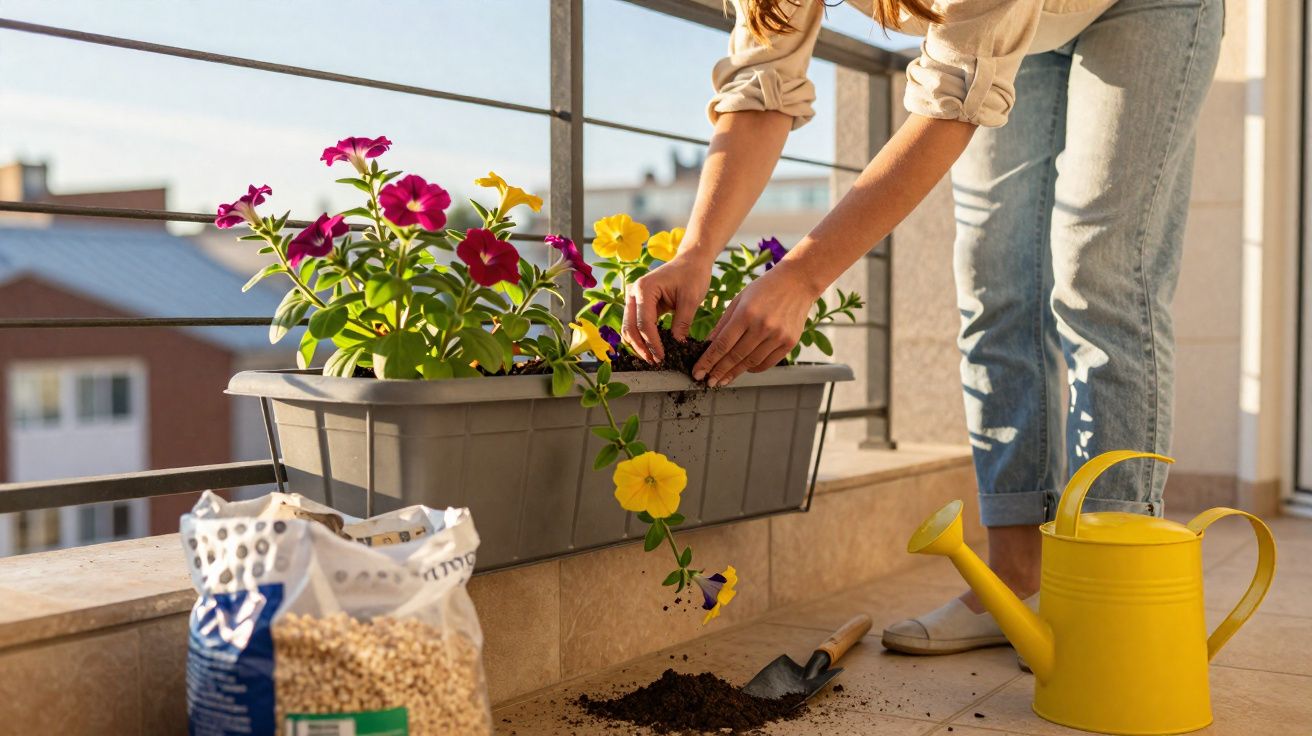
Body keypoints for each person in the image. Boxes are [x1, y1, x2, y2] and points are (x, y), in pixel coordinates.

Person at [621, 0, 1222, 657]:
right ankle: (1015, 583)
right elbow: (761, 84)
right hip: (1014, 26)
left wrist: (800, 279)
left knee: (1097, 273)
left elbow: (949, 108)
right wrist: (696, 250)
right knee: (994, 280)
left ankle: (1112, 600)